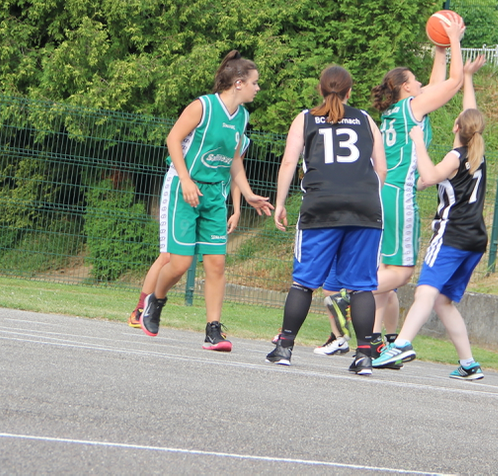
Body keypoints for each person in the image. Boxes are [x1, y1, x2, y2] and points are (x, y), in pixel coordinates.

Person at [138, 51, 271, 350]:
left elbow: (234, 159)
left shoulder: (242, 117)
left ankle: (213, 330)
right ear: (239, 83)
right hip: (185, 188)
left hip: (214, 194)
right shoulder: (203, 106)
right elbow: (173, 139)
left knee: (216, 264)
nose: (258, 88)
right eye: (255, 82)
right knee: (179, 263)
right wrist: (186, 179)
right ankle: (155, 301)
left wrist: (248, 194)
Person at [266, 65, 387, 376]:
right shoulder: (366, 119)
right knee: (361, 286)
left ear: (320, 90)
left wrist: (280, 203)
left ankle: (284, 347)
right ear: (350, 92)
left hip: (321, 206)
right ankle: (364, 357)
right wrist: (364, 196)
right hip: (365, 207)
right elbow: (381, 169)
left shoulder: (306, 118)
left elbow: (289, 162)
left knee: (304, 282)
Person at [372, 56, 488, 377]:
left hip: (451, 234)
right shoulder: (477, 155)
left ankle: (401, 343)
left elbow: (431, 175)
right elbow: (469, 113)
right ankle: (468, 364)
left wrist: (419, 144)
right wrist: (468, 78)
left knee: (424, 290)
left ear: (456, 128)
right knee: (443, 302)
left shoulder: (452, 157)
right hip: (476, 238)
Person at [369, 16, 466, 349]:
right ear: (407, 88)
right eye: (415, 80)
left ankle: (371, 341)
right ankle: (350, 294)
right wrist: (454, 39)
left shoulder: (397, 110)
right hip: (399, 193)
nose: (421, 83)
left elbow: (436, 84)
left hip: (380, 192)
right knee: (401, 272)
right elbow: (453, 82)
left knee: (385, 270)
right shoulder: (412, 107)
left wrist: (440, 50)